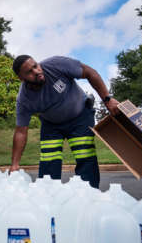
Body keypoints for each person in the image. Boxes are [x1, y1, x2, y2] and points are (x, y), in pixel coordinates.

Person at [10, 55, 120, 188]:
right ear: (21, 78)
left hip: (80, 116)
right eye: (29, 72)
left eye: (35, 66)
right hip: (51, 125)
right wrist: (15, 164)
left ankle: (89, 196)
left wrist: (107, 99)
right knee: (49, 161)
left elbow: (90, 72)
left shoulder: (56, 65)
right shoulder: (24, 99)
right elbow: (21, 131)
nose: (37, 71)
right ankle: (49, 197)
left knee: (85, 155)